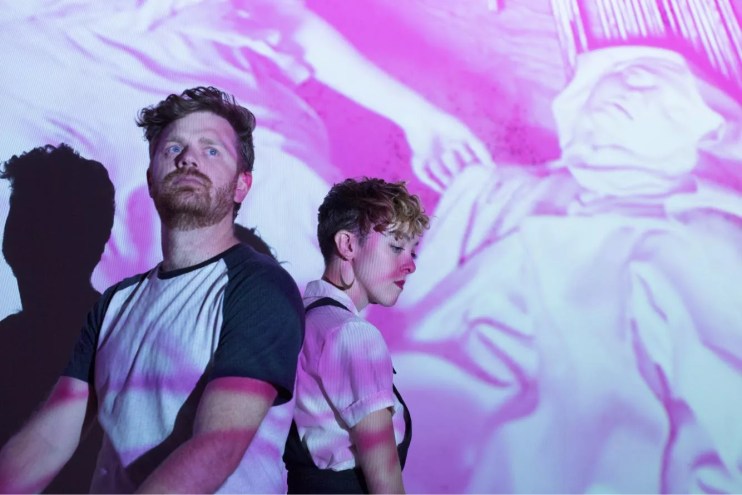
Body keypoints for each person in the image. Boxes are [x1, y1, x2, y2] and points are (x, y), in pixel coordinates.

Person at [391, 46, 742, 493]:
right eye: (628, 73)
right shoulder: (497, 191)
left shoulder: (703, 242)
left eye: (670, 97)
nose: (635, 90)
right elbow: (404, 309)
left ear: (707, 139)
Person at [0, 86, 305, 493]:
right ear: (150, 178)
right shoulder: (115, 304)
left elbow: (217, 446)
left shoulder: (259, 288)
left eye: (211, 150)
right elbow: (49, 439)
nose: (188, 158)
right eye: (173, 147)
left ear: (241, 185)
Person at [284, 178, 430, 493]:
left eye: (412, 252)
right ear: (348, 245)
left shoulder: (303, 321)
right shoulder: (351, 334)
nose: (410, 266)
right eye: (396, 247)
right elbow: (385, 484)